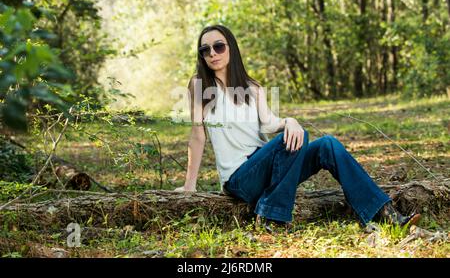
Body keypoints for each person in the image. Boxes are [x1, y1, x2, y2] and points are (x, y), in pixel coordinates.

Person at [174, 24, 419, 232]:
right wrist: (189, 185)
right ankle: (272, 214)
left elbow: (270, 123)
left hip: (270, 167)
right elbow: (197, 136)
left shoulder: (253, 87)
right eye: (205, 50)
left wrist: (290, 121)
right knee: (295, 139)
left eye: (219, 46)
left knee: (328, 145)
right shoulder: (200, 86)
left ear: (231, 48)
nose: (212, 53)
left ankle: (383, 213)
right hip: (239, 179)